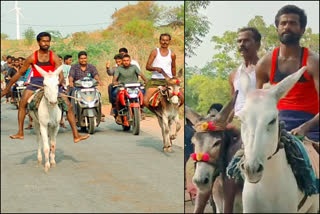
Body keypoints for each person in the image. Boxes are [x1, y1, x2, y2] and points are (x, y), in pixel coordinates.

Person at [1, 32, 89, 143]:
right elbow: (20, 73)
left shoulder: (54, 57)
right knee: (22, 103)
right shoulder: (32, 57)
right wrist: (6, 89)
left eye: (48, 41)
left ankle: (76, 135)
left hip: (51, 83)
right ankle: (20, 132)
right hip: (35, 83)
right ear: (38, 42)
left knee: (68, 105)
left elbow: (61, 75)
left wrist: (57, 84)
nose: (46, 43)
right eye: (43, 41)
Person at [255, 5, 319, 142]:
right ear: (277, 28)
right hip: (275, 124)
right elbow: (257, 104)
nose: (287, 27)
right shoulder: (264, 64)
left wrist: (305, 127)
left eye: (292, 23)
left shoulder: (313, 62)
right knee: (239, 158)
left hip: (311, 126)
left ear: (302, 30)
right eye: (283, 23)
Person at [228, 27, 261, 128]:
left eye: (246, 41)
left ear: (257, 44)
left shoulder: (264, 70)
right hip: (237, 122)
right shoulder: (234, 74)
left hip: (258, 122)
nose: (241, 44)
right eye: (239, 41)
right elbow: (233, 104)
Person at [143, 33, 184, 109]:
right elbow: (147, 66)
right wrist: (156, 69)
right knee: (145, 101)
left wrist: (174, 79)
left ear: (169, 41)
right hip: (155, 80)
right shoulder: (155, 52)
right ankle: (154, 112)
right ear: (160, 41)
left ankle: (174, 111)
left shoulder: (172, 54)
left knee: (182, 98)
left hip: (168, 81)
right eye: (163, 40)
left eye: (167, 40)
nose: (165, 42)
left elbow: (173, 67)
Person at [112, 54, 147, 124]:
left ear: (130, 61)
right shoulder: (119, 69)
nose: (126, 62)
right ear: (122, 61)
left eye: (127, 60)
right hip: (123, 87)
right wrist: (115, 82)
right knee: (115, 94)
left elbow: (141, 75)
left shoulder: (134, 67)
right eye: (124, 61)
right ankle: (118, 113)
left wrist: (145, 80)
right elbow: (114, 79)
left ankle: (142, 109)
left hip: (134, 87)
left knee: (143, 92)